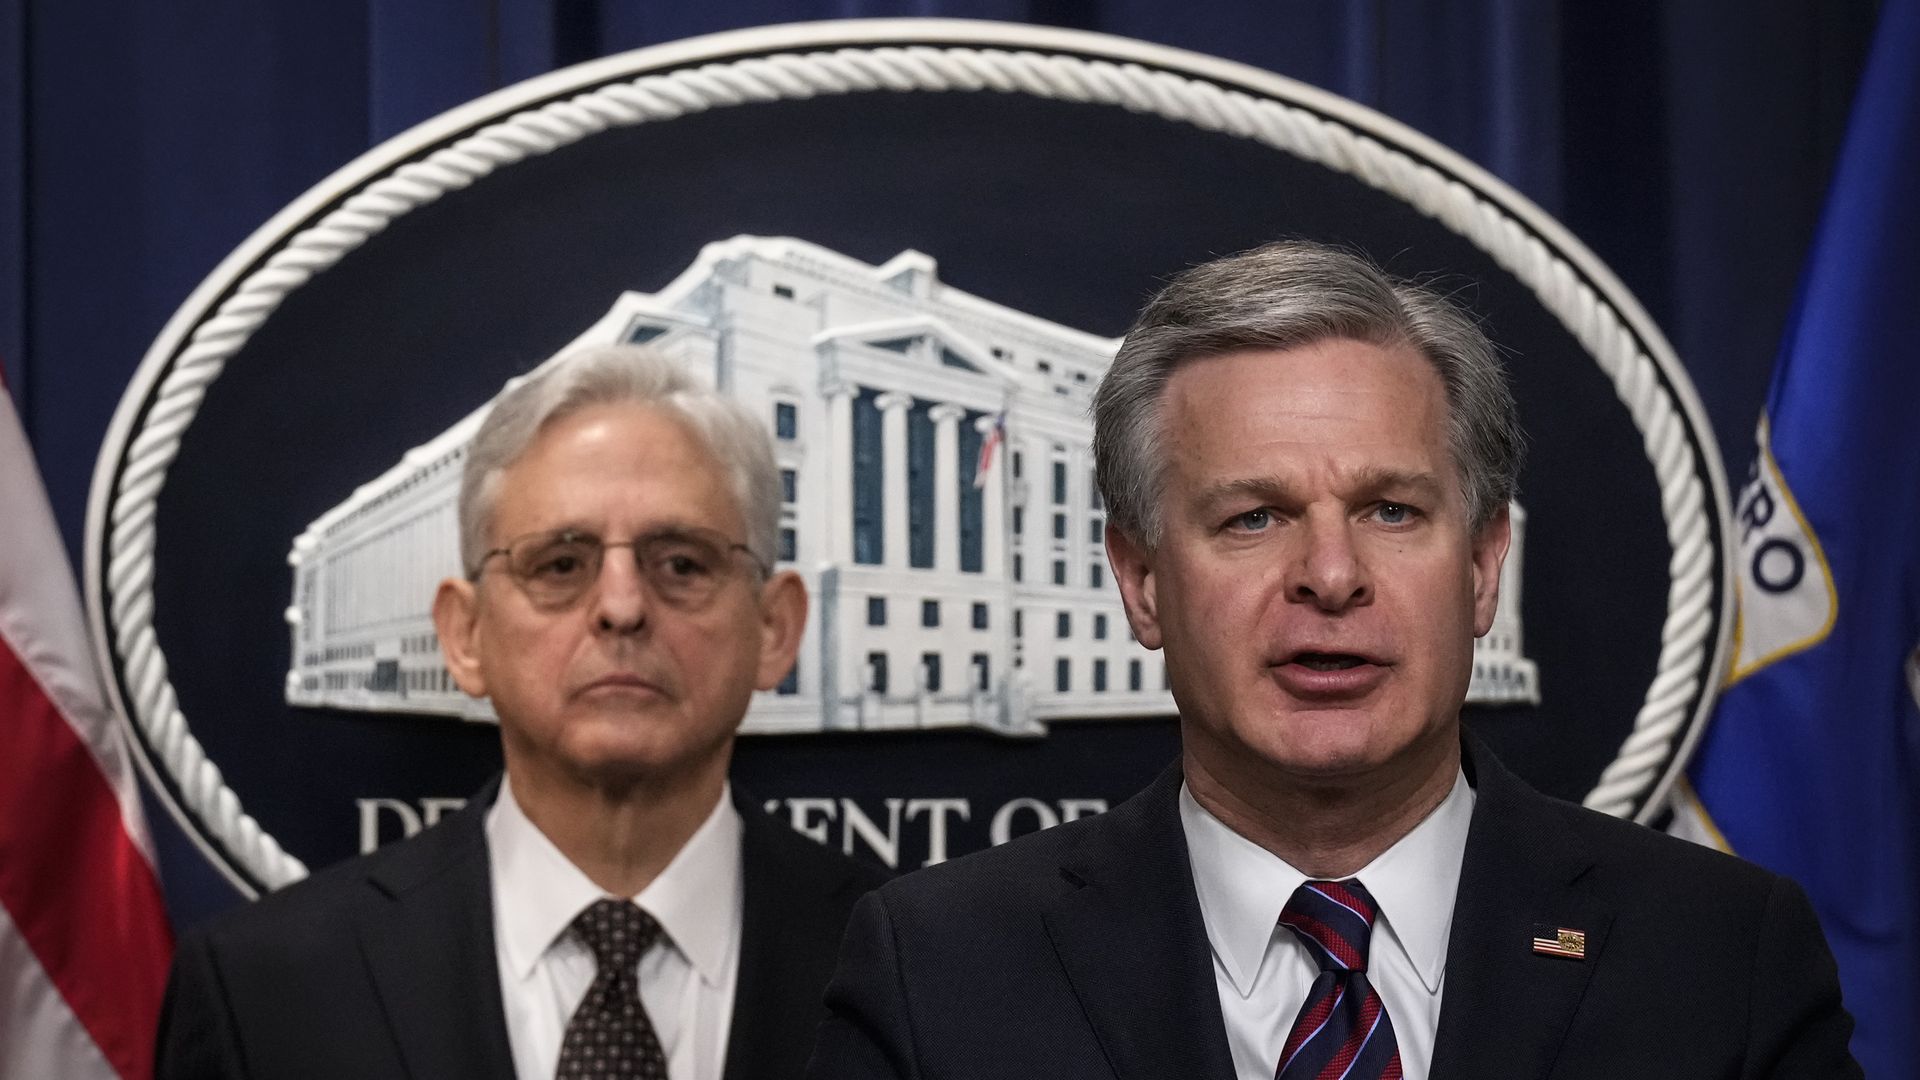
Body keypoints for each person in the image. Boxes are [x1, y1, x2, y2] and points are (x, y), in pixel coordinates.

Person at [804, 242, 1861, 1079]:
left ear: (1483, 566)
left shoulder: (1722, 956)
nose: (1331, 575)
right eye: (1254, 517)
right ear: (1142, 581)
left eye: (1391, 510)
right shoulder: (937, 968)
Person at [158, 344, 887, 1080]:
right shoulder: (262, 990)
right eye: (561, 564)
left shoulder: (912, 967)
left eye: (682, 563)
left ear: (773, 629)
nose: (622, 607)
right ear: (465, 634)